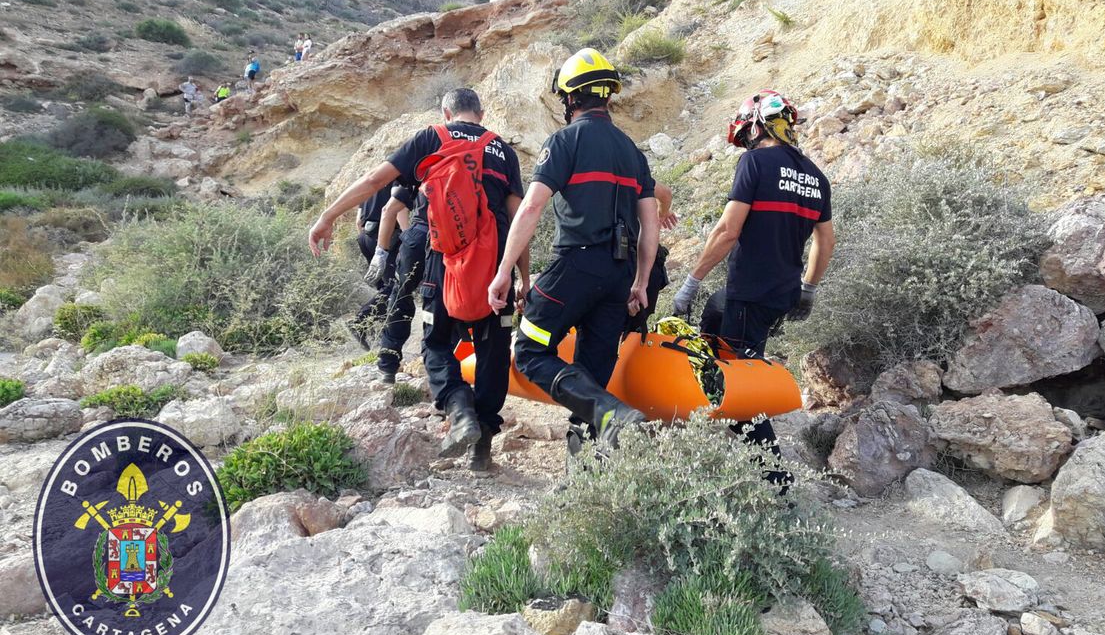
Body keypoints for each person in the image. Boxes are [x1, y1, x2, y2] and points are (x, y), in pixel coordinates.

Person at [310, 88, 526, 471]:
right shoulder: (502, 150)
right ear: (481, 112)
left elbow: (375, 182)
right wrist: (520, 275)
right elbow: (518, 217)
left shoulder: (431, 138)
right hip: (495, 262)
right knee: (492, 350)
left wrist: (328, 216)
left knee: (436, 341)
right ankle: (483, 449)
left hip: (442, 258)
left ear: (447, 112)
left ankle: (459, 411)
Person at [487, 48, 657, 450]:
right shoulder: (633, 153)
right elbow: (650, 228)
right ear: (607, 97)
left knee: (529, 350)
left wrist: (504, 271)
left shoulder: (564, 141)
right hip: (620, 276)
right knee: (592, 378)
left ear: (570, 98)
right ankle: (585, 477)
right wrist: (641, 283)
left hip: (575, 269)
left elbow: (530, 207)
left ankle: (612, 413)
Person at [671, 89, 835, 490]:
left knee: (739, 386)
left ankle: (775, 478)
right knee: (713, 314)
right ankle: (701, 409)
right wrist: (808, 290)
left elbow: (728, 231)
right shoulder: (816, 177)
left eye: (747, 135)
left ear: (758, 126)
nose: (745, 143)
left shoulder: (755, 162)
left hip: (751, 291)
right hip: (781, 294)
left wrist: (690, 283)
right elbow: (825, 241)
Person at [369, 184, 428, 384]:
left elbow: (389, 209)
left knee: (400, 296)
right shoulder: (473, 165)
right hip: (454, 240)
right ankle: (435, 362)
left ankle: (388, 364)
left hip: (418, 236)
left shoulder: (424, 164)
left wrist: (381, 253)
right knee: (440, 300)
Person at [347, 180, 400, 350]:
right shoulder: (400, 182)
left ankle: (378, 330)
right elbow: (399, 212)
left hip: (365, 237)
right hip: (385, 238)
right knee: (394, 286)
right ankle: (360, 322)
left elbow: (358, 222)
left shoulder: (372, 183)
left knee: (384, 287)